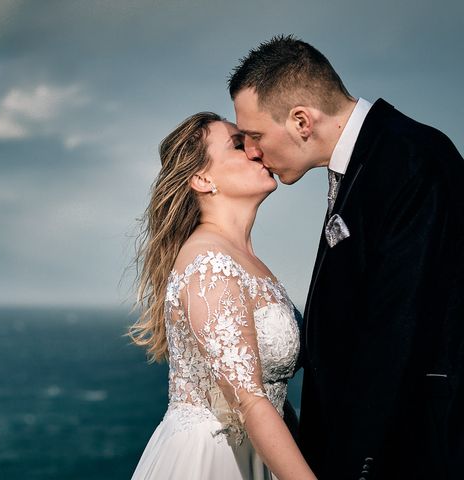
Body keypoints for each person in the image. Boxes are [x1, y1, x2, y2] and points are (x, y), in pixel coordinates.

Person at [228, 35, 464, 479]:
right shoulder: (371, 158)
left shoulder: (410, 160)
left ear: (301, 120)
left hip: (405, 456)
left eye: (255, 136)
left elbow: (397, 329)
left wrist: (355, 466)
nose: (253, 152)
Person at [129, 112, 316, 479]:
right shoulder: (209, 265)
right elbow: (249, 401)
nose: (256, 150)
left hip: (262, 457)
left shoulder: (245, 260)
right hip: (212, 462)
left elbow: (272, 392)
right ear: (202, 178)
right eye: (238, 144)